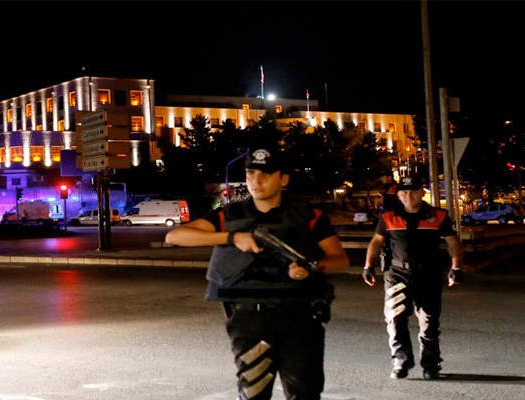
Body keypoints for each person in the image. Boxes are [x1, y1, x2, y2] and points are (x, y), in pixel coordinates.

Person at [165, 144, 349, 400]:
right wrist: (232, 237)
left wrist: (313, 267)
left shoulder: (309, 216)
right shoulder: (229, 215)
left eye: (266, 173)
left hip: (301, 319)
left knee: (305, 394)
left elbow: (341, 260)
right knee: (253, 394)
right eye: (251, 173)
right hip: (250, 320)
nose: (256, 180)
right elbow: (175, 235)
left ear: (283, 179)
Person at [362, 175, 464, 380]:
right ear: (398, 195)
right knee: (395, 317)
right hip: (397, 274)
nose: (408, 195)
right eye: (403, 192)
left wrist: (456, 267)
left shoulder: (438, 216)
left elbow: (453, 242)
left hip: (428, 274)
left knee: (429, 320)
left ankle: (431, 363)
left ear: (421, 193)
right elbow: (376, 242)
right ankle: (401, 360)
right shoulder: (388, 217)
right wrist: (368, 266)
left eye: (412, 191)